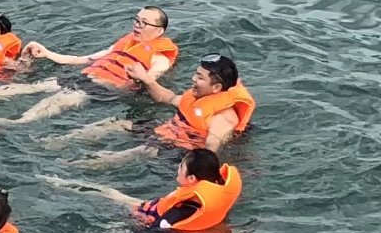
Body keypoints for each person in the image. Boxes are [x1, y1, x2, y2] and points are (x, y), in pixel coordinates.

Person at [50, 54, 254, 165]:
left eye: (200, 77)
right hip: (163, 132)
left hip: (174, 150)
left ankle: (74, 165)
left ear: (216, 88)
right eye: (195, 73)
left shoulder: (224, 117)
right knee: (118, 123)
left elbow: (212, 146)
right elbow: (168, 98)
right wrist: (146, 79)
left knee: (140, 151)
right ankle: (60, 141)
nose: (193, 79)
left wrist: (201, 173)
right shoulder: (198, 96)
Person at [0, 7, 180, 126]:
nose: (137, 25)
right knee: (32, 87)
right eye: (136, 20)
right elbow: (83, 59)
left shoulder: (160, 57)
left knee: (58, 100)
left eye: (143, 23)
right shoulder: (125, 43)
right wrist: (47, 53)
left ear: (158, 31)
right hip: (85, 77)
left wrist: (140, 78)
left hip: (104, 89)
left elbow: (151, 81)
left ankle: (19, 122)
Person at [42, 148, 242, 233]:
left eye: (181, 166)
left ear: (191, 179)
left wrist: (136, 220)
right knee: (110, 193)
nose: (177, 168)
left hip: (146, 225)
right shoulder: (215, 190)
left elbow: (160, 228)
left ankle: (55, 183)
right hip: (150, 210)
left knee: (110, 213)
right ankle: (58, 182)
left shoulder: (184, 208)